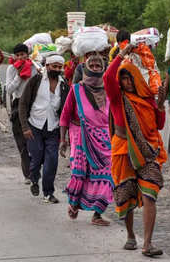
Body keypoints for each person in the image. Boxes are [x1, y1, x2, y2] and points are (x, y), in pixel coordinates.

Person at [104, 44, 167, 257]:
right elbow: (107, 77)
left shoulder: (147, 99)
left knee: (150, 194)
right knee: (126, 196)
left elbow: (158, 124)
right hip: (123, 151)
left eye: (130, 78)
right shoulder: (116, 98)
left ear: (137, 79)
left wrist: (160, 106)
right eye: (123, 78)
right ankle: (130, 235)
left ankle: (147, 244)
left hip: (148, 151)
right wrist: (121, 54)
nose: (127, 82)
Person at [59, 54, 113, 226]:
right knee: (80, 173)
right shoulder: (76, 89)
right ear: (87, 68)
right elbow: (65, 115)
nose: (96, 68)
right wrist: (63, 140)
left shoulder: (109, 90)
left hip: (104, 138)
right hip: (79, 135)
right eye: (93, 66)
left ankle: (97, 214)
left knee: (106, 175)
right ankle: (74, 203)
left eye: (99, 66)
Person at [18, 54, 69, 204]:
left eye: (60, 67)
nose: (57, 69)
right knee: (36, 157)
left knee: (52, 161)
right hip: (34, 126)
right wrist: (25, 127)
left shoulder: (64, 85)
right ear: (47, 66)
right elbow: (23, 104)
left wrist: (65, 134)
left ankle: (48, 193)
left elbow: (66, 109)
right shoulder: (36, 81)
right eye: (54, 66)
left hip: (53, 128)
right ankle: (34, 179)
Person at [6, 43, 37, 184]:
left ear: (27, 54)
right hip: (18, 104)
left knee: (35, 138)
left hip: (33, 104)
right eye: (18, 55)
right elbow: (9, 89)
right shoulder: (11, 69)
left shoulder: (34, 67)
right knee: (21, 141)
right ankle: (27, 173)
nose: (20, 57)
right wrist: (19, 76)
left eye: (23, 54)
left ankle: (35, 167)